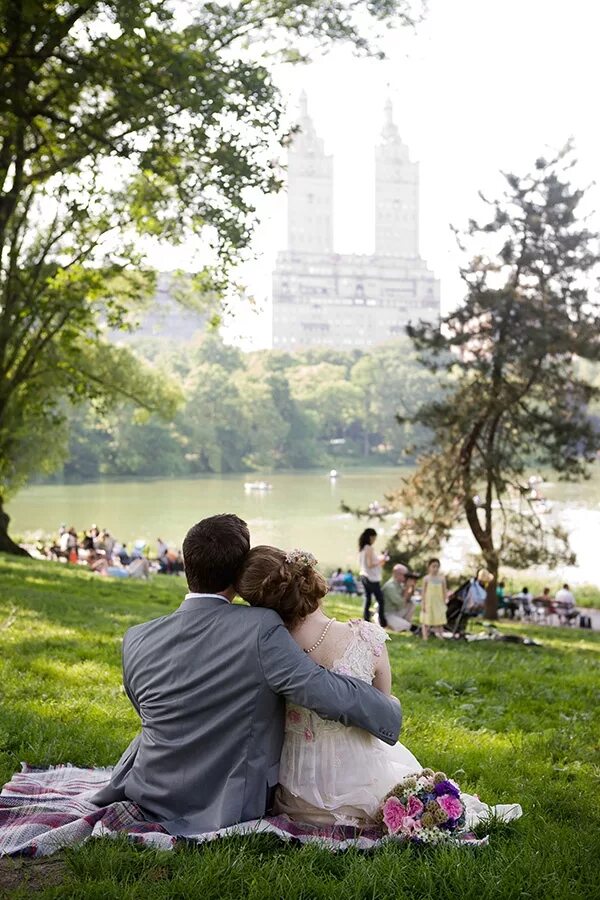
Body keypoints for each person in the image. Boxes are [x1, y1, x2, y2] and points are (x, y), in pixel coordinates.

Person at [90, 514, 401, 835]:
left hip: (148, 787)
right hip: (225, 802)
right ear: (237, 576)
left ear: (187, 565)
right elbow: (321, 690)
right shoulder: (260, 628)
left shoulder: (137, 637)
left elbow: (148, 711)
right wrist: (388, 710)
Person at [237, 545, 522, 828]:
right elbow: (383, 708)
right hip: (361, 787)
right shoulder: (367, 638)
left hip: (296, 794)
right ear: (308, 581)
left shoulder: (265, 649)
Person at [358, 528, 388, 627]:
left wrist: (380, 560)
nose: (375, 540)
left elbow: (367, 564)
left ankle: (366, 619)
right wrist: (382, 559)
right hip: (371, 578)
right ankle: (382, 621)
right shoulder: (369, 548)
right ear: (371, 537)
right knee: (381, 599)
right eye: (374, 538)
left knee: (368, 598)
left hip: (363, 575)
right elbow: (370, 564)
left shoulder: (362, 548)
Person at [382, 564, 416, 632]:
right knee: (407, 626)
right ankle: (401, 624)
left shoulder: (398, 585)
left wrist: (411, 586)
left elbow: (407, 599)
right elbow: (401, 603)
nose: (406, 577)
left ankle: (402, 622)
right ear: (396, 574)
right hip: (387, 614)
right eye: (405, 575)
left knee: (412, 603)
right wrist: (407, 587)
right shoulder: (390, 586)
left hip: (396, 611)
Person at [420, 558, 447, 640]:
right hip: (429, 603)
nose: (435, 569)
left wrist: (444, 602)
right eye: (433, 566)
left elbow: (444, 592)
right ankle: (425, 637)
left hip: (438, 603)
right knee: (426, 620)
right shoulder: (426, 579)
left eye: (437, 567)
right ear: (429, 567)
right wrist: (423, 604)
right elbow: (423, 592)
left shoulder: (442, 579)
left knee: (439, 620)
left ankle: (441, 636)